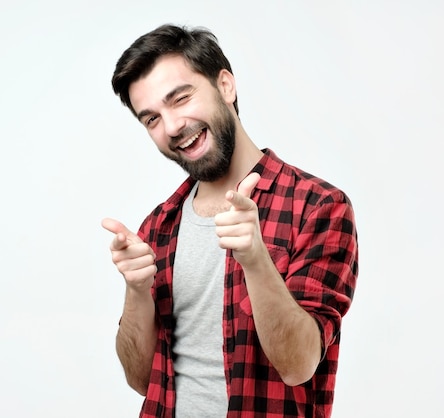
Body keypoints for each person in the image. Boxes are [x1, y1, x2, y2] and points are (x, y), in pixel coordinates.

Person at [102, 23, 358, 418]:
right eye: (151, 119)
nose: (171, 127)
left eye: (180, 98)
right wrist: (137, 291)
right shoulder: (157, 227)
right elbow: (140, 379)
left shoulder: (319, 207)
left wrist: (255, 259)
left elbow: (298, 366)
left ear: (225, 86)